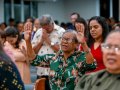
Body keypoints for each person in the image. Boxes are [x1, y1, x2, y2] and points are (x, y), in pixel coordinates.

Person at [24, 21, 96, 90]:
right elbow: (33, 60)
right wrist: (27, 41)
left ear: (76, 44)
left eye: (68, 40)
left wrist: (83, 43)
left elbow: (92, 65)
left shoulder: (81, 57)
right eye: (63, 39)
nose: (64, 42)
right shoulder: (54, 58)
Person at [31, 14, 65, 90]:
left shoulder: (61, 32)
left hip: (56, 72)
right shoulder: (39, 32)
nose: (46, 30)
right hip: (41, 72)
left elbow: (64, 52)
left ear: (52, 23)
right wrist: (40, 42)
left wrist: (49, 41)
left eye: (48, 28)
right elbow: (33, 53)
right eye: (43, 28)